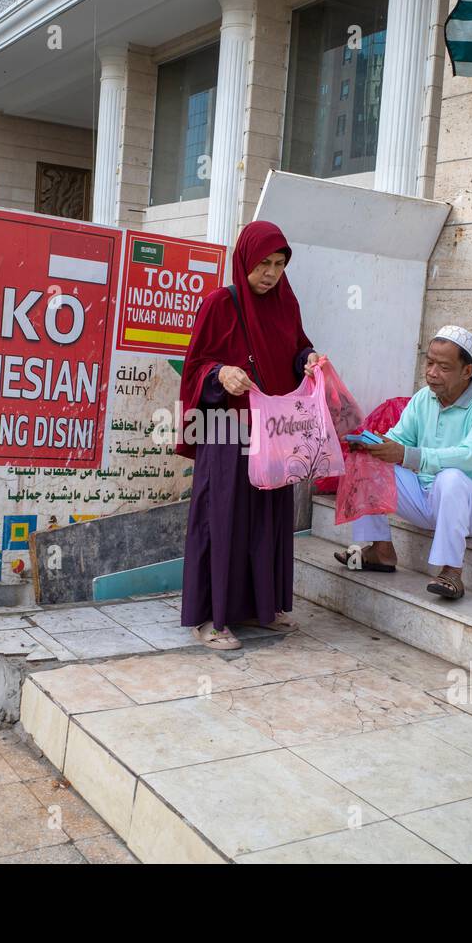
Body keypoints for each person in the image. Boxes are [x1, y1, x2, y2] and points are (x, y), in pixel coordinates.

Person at [177, 220, 322, 650]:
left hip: (272, 430)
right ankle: (209, 618)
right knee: (220, 520)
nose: (271, 273)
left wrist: (309, 359)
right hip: (225, 430)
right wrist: (221, 373)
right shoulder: (221, 303)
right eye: (263, 264)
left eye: (278, 264)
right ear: (244, 260)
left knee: (266, 520)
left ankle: (263, 609)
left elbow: (296, 348)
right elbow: (195, 366)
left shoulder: (285, 304)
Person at [333, 325, 472, 600]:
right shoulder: (423, 398)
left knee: (450, 477)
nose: (432, 372)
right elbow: (398, 439)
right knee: (366, 459)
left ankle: (451, 571)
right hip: (426, 497)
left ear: (467, 371)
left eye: (444, 367)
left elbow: (469, 456)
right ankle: (379, 550)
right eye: (429, 363)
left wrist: (407, 454)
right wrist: (372, 443)